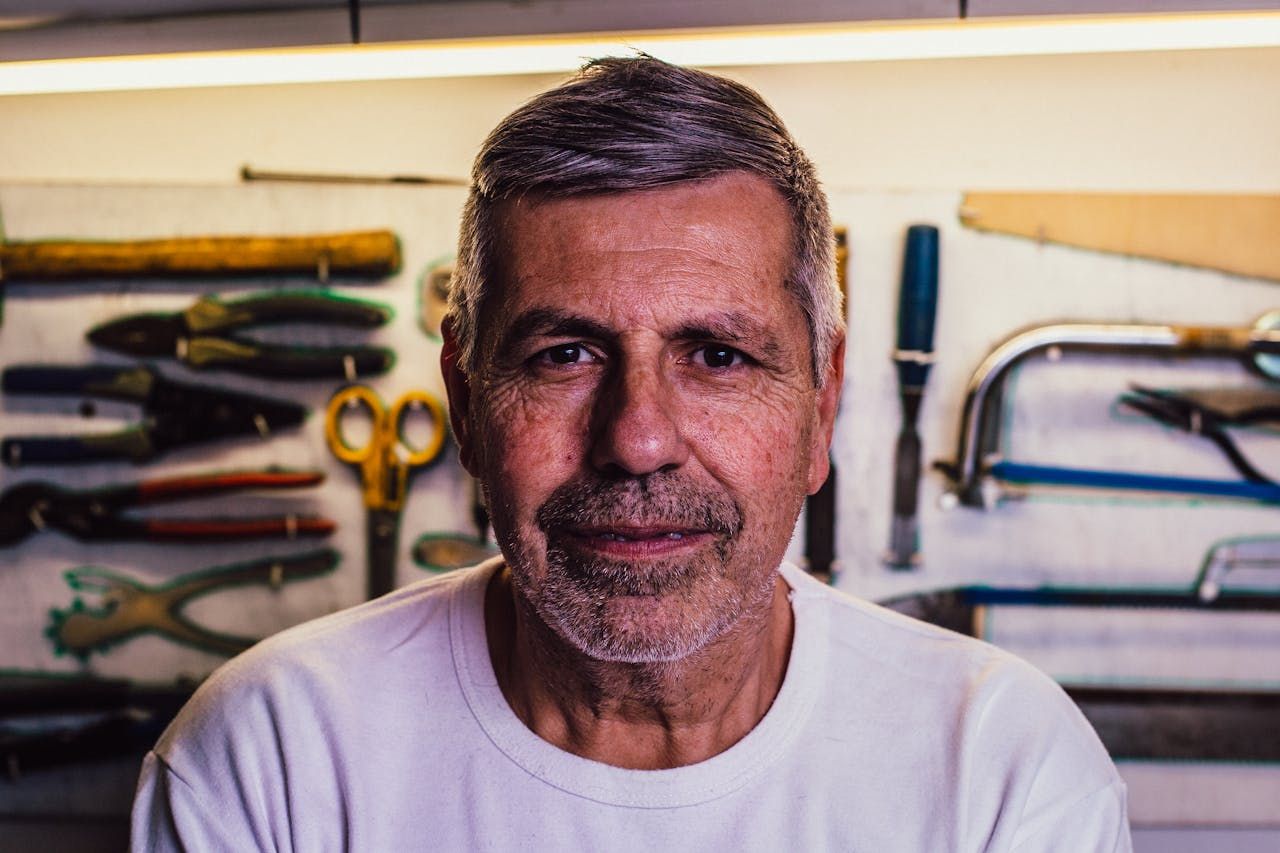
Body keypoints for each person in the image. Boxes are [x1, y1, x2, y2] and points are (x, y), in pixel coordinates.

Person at [131, 56, 1131, 851]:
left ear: (821, 405)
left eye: (716, 354)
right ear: (467, 402)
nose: (637, 439)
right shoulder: (270, 759)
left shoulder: (1000, 770)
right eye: (564, 353)